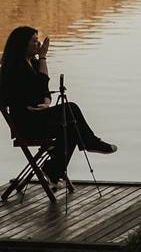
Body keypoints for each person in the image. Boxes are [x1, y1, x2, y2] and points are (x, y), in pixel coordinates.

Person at [0, 26, 117, 187]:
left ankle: (54, 169)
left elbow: (44, 90)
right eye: (34, 41)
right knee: (71, 109)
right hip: (26, 123)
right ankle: (89, 143)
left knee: (72, 127)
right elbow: (32, 90)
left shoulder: (32, 63)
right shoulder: (14, 68)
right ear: (22, 44)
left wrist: (47, 103)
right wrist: (43, 58)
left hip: (40, 116)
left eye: (37, 40)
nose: (38, 44)